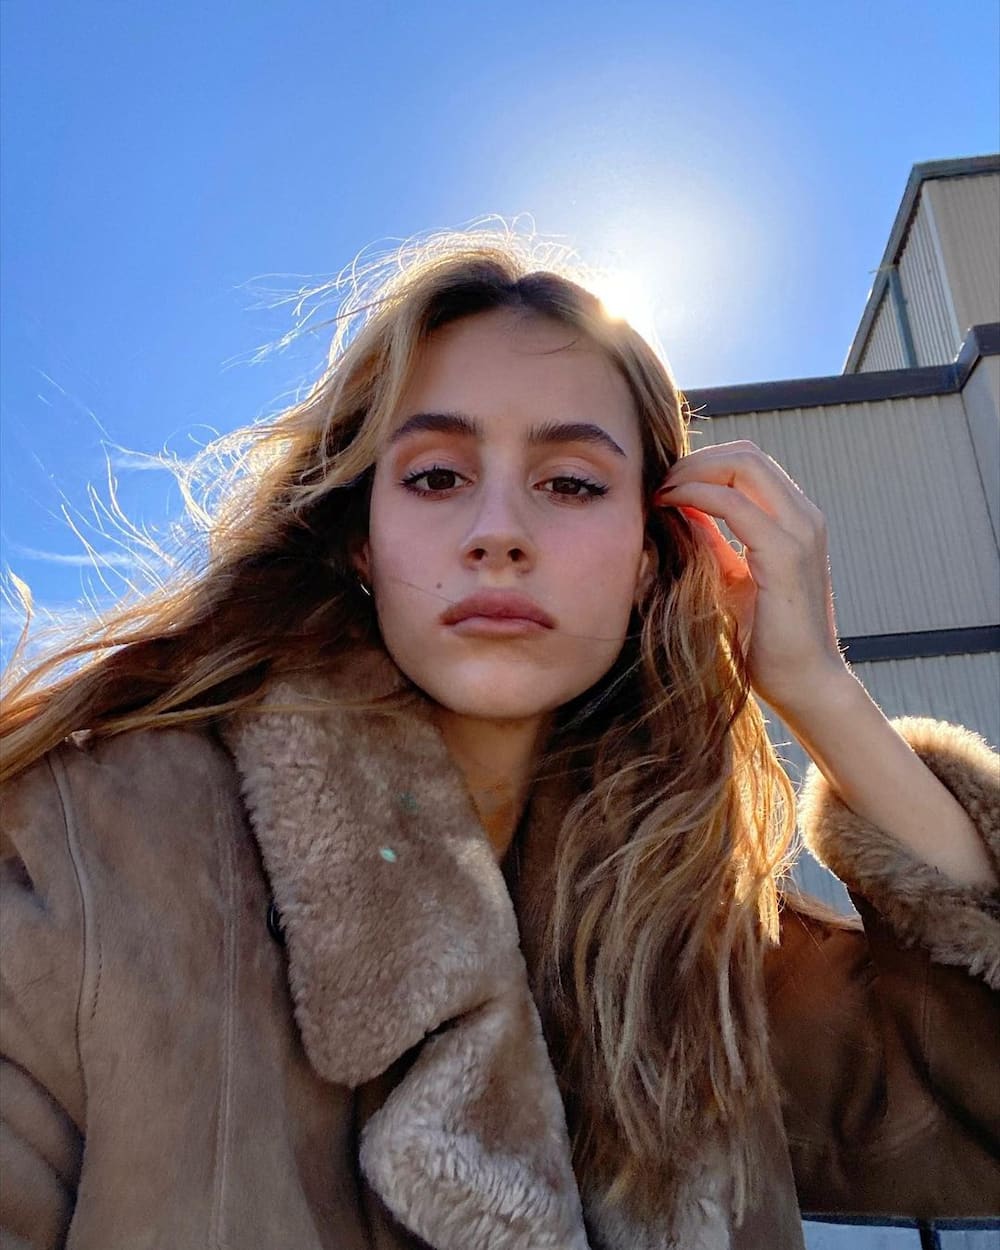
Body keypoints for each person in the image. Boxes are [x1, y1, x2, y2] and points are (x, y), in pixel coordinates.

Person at [1, 229, 997, 1250]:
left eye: (571, 483)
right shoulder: (98, 855)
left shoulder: (693, 954)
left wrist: (818, 687)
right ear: (361, 540)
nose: (499, 531)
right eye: (437, 476)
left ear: (650, 560)